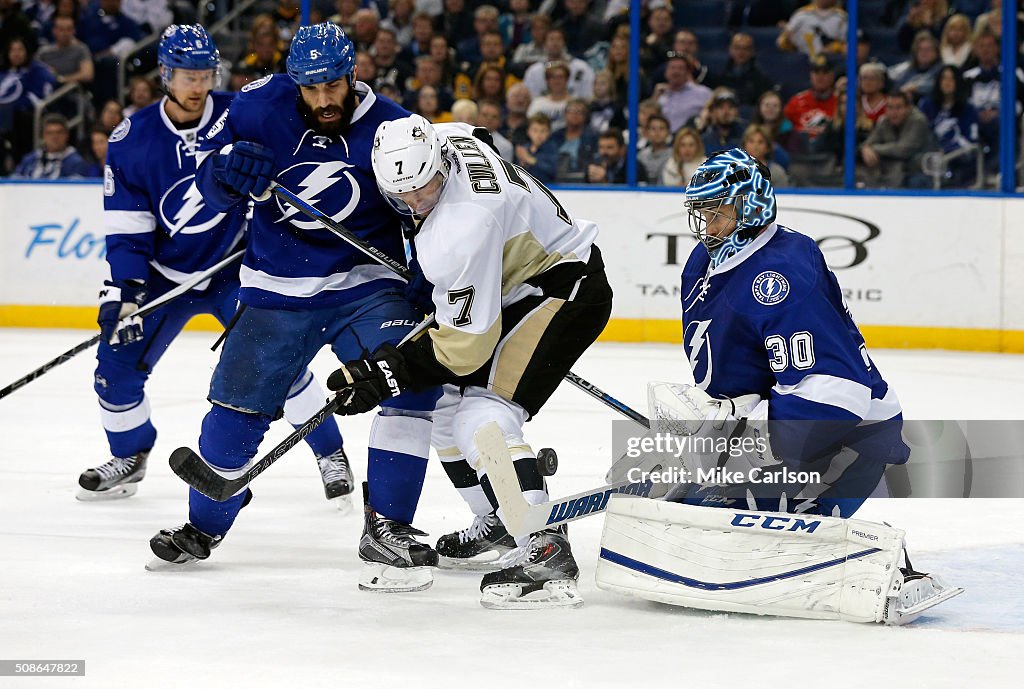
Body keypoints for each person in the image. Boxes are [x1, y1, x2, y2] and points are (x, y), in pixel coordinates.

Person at [594, 147, 960, 625]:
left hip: (848, 439)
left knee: (713, 502)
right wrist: (716, 424)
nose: (706, 224)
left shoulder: (781, 275)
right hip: (796, 421)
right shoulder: (709, 262)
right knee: (669, 483)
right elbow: (736, 369)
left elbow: (834, 390)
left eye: (718, 212)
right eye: (700, 212)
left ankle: (873, 554)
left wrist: (751, 447)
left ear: (752, 206)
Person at [151, 23, 441, 594]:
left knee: (410, 384)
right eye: (312, 89)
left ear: (354, 75)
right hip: (276, 290)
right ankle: (202, 525)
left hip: (369, 286)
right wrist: (224, 176)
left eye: (334, 85)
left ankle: (389, 527)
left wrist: (431, 277)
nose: (325, 99)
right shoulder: (257, 108)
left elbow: (428, 212)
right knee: (234, 413)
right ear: (293, 82)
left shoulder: (397, 127)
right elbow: (206, 189)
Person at [329, 113, 613, 608]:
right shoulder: (450, 139)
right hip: (518, 283)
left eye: (426, 187)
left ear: (440, 162)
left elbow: (466, 349)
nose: (418, 203)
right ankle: (500, 521)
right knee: (444, 414)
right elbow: (477, 130)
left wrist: (386, 374)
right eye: (403, 196)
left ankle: (542, 546)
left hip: (563, 288)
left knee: (483, 416)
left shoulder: (461, 228)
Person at [77, 25, 351, 508]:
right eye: (186, 74)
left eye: (204, 73)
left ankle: (330, 453)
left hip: (236, 271)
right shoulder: (132, 140)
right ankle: (129, 454)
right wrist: (123, 289)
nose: (197, 84)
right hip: (166, 276)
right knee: (114, 370)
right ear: (165, 74)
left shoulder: (240, 114)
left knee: (281, 368)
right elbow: (128, 228)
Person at [858, 91, 935, 188]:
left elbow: (903, 149)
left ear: (908, 108)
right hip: (894, 171)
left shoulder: (918, 121)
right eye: (890, 107)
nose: (893, 112)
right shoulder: (884, 120)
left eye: (898, 107)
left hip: (919, 170)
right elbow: (867, 144)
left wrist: (873, 149)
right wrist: (865, 149)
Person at [12, 112, 89, 178]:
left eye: (59, 132)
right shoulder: (30, 159)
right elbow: (13, 182)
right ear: (43, 136)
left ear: (66, 135)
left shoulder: (76, 163)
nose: (54, 137)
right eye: (49, 133)